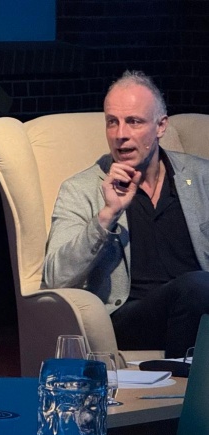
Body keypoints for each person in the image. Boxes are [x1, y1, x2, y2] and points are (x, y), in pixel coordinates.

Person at [43, 70, 209, 358]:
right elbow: (54, 277)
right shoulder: (81, 189)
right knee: (196, 286)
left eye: (133, 122)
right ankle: (183, 390)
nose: (120, 135)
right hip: (131, 317)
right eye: (112, 122)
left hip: (200, 305)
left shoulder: (202, 177)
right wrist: (107, 216)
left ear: (161, 126)